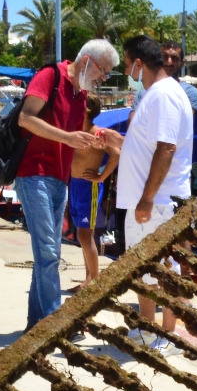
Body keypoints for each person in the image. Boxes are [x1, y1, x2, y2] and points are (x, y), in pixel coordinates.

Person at [17, 38, 119, 329]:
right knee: (49, 251)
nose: (103, 78)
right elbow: (26, 118)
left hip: (60, 179)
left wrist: (89, 140)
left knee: (48, 253)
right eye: (104, 71)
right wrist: (68, 138)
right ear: (87, 61)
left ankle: (37, 326)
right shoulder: (50, 76)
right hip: (33, 173)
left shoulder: (81, 95)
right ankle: (56, 325)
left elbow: (74, 135)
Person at [103, 35, 193, 352]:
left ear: (139, 63)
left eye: (128, 65)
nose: (128, 70)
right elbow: (146, 146)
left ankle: (163, 335)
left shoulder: (164, 95)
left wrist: (146, 198)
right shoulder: (154, 95)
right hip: (151, 202)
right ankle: (149, 330)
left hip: (158, 202)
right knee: (146, 269)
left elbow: (167, 148)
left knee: (162, 270)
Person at [67, 95, 116, 286]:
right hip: (75, 185)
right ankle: (89, 278)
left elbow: (117, 154)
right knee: (83, 234)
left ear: (86, 110)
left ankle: (95, 280)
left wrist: (101, 177)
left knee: (84, 235)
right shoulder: (75, 132)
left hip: (90, 187)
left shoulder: (97, 134)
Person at [159, 41, 197, 111]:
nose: (169, 62)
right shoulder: (145, 91)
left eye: (174, 58)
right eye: (164, 57)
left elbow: (184, 120)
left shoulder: (189, 92)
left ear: (182, 63)